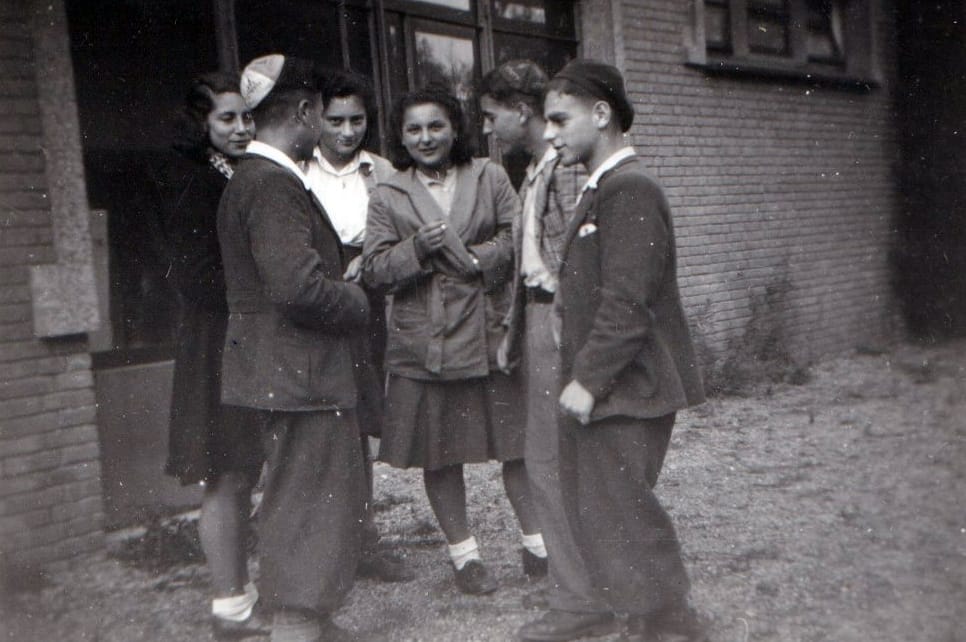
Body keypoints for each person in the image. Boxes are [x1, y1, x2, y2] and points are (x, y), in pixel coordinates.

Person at [519, 60, 709, 642]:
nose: (549, 133)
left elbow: (629, 301)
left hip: (632, 385)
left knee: (623, 511)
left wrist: (588, 380)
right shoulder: (603, 188)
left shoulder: (631, 190)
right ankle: (652, 621)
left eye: (559, 118)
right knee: (609, 511)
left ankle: (669, 626)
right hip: (617, 385)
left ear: (600, 115)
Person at [361, 86, 541, 596]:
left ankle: (538, 545)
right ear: (400, 137)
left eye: (436, 126)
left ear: (456, 128)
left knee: (518, 446)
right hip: (427, 345)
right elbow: (375, 269)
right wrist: (416, 249)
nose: (426, 138)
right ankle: (466, 558)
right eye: (414, 129)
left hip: (489, 331)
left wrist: (477, 260)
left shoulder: (489, 175)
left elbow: (517, 233)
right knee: (439, 454)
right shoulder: (388, 194)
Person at [218, 54, 369, 642]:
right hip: (301, 375)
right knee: (307, 509)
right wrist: (357, 297)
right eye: (320, 115)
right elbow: (297, 289)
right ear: (305, 112)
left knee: (303, 502)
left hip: (282, 371)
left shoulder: (254, 179)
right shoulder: (274, 183)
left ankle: (312, 621)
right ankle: (298, 625)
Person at [478, 58, 610, 619]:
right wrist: (512, 328)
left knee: (557, 461)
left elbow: (581, 262)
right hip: (535, 322)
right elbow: (528, 260)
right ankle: (578, 583)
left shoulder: (566, 167)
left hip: (560, 325)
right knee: (544, 459)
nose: (488, 129)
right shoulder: (533, 169)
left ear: (521, 111)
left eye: (492, 116)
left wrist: (562, 334)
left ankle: (581, 594)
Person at [157, 72, 265, 639]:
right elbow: (196, 279)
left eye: (247, 116)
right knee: (226, 474)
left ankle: (241, 596)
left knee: (244, 469)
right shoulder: (195, 181)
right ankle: (230, 606)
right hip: (218, 341)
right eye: (228, 118)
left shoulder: (233, 173)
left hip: (240, 336)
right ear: (201, 125)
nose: (242, 127)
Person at [302, 70, 413, 584]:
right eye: (336, 120)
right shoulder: (299, 169)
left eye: (358, 121)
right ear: (315, 119)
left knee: (359, 418)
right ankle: (322, 547)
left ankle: (363, 540)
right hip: (317, 296)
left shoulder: (383, 170)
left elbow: (397, 231)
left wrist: (368, 260)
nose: (347, 133)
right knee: (323, 417)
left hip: (367, 297)